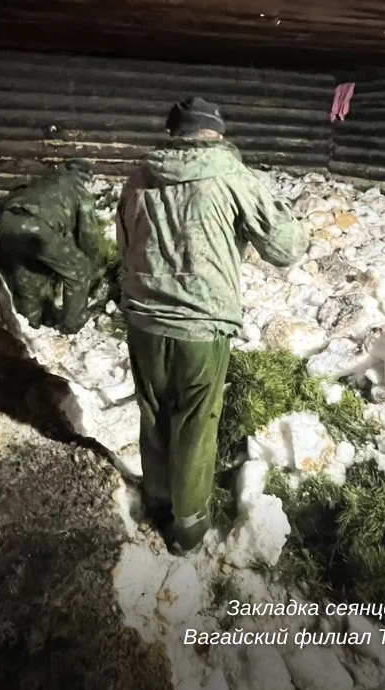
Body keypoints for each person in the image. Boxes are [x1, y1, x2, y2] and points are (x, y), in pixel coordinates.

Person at [115, 97, 309, 555]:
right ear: (216, 134)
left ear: (174, 134)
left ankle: (158, 501)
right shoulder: (232, 177)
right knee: (195, 424)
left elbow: (123, 243)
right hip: (202, 324)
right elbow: (286, 248)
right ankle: (187, 528)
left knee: (153, 412)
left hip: (145, 320)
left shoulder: (139, 177)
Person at [0, 159, 103, 335]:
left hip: (7, 221)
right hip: (38, 228)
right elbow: (88, 233)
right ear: (86, 178)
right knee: (80, 270)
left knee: (29, 270)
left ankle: (30, 322)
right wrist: (91, 257)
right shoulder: (79, 189)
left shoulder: (44, 179)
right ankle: (72, 325)